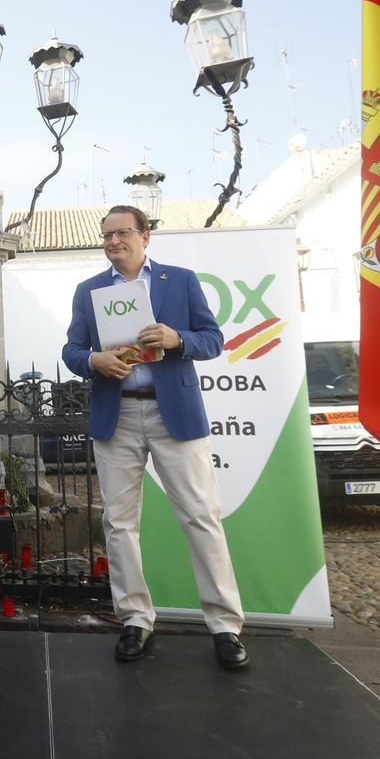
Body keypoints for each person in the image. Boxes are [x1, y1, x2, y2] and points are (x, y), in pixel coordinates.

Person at [61, 205, 247, 670]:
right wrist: (92, 362)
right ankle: (135, 619)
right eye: (106, 235)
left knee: (202, 517)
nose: (113, 241)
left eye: (122, 233)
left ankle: (225, 626)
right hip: (117, 415)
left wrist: (176, 338)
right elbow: (71, 349)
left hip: (174, 415)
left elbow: (213, 339)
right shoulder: (90, 290)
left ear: (146, 237)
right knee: (120, 524)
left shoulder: (179, 281)